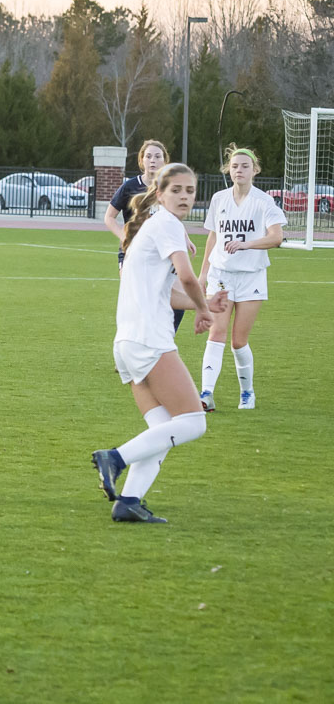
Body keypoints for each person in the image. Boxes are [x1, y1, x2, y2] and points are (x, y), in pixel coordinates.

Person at [91, 163, 228, 523]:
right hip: (149, 339)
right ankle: (115, 457)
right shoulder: (167, 224)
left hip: (128, 342)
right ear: (160, 193)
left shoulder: (150, 226)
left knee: (163, 428)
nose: (185, 196)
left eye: (190, 191)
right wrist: (204, 310)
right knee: (194, 422)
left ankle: (129, 502)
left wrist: (204, 304)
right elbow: (186, 275)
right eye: (177, 190)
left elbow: (167, 291)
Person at [197, 146, 285, 411]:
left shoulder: (264, 201)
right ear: (229, 170)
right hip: (221, 275)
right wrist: (202, 274)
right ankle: (206, 394)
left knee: (238, 341)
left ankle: (247, 392)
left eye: (245, 166)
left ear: (255, 170)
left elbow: (277, 237)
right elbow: (213, 236)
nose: (239, 170)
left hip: (251, 277)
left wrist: (246, 245)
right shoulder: (219, 199)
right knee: (216, 332)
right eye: (235, 166)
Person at [104, 139, 187, 332]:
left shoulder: (169, 187)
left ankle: (165, 341)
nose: (153, 160)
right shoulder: (130, 187)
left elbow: (172, 218)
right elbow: (109, 217)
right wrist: (124, 238)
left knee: (176, 301)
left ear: (164, 161)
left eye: (158, 156)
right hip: (133, 253)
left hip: (164, 253)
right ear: (141, 160)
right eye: (148, 156)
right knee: (137, 302)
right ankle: (131, 347)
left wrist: (185, 238)